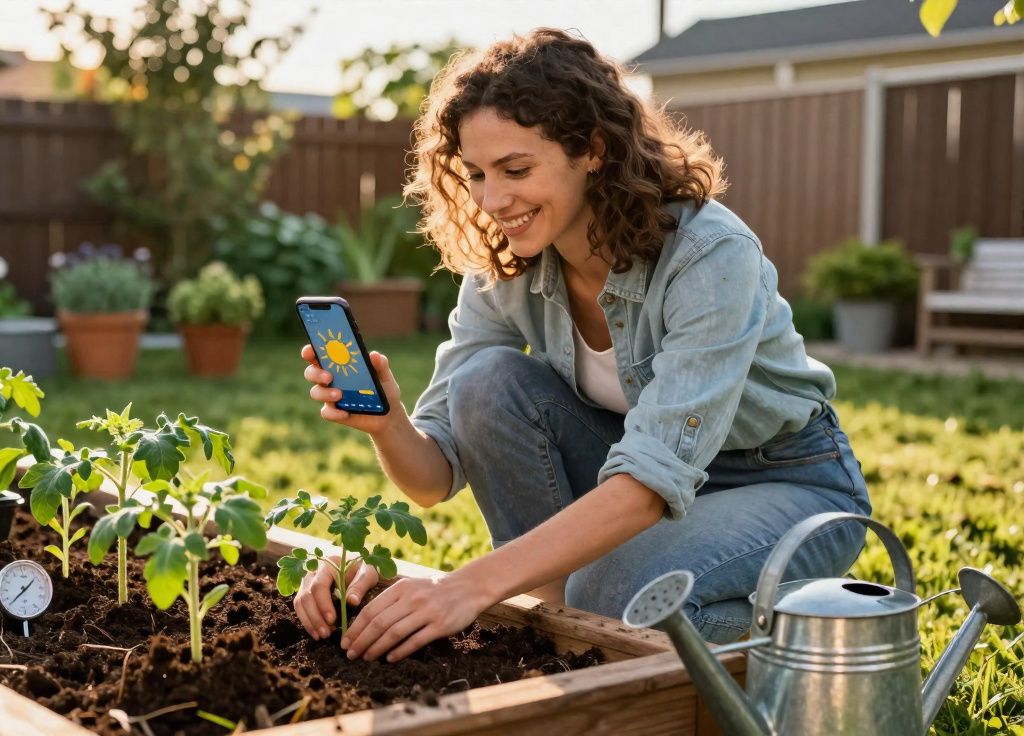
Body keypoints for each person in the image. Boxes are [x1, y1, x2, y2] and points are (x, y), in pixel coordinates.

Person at [295, 28, 871, 663]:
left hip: (786, 482)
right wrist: (388, 422)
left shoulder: (709, 256)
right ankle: (562, 631)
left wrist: (462, 589)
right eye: (478, 173)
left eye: (516, 169)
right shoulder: (507, 268)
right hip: (634, 478)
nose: (493, 200)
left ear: (593, 149)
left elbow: (646, 486)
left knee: (612, 592)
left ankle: (815, 629)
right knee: (485, 381)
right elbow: (433, 480)